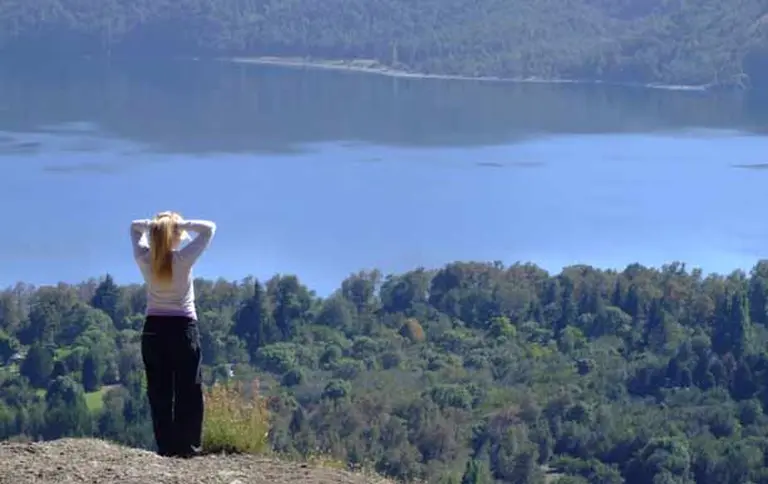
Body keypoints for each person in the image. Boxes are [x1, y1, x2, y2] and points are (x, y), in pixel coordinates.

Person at [130, 211, 216, 458]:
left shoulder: (145, 259)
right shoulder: (182, 260)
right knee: (188, 388)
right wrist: (179, 223)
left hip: (153, 330)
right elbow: (209, 228)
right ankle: (187, 447)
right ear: (175, 235)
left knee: (159, 391)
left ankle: (166, 447)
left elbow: (133, 228)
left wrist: (154, 225)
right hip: (182, 328)